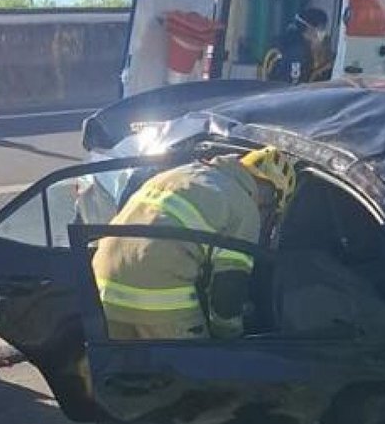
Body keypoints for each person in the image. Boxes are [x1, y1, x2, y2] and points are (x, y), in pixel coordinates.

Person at [91, 143, 295, 341]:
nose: (265, 218)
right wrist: (229, 337)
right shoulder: (245, 207)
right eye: (270, 212)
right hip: (159, 295)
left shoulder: (183, 174)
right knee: (199, 371)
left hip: (104, 287)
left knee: (124, 369)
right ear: (271, 193)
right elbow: (228, 288)